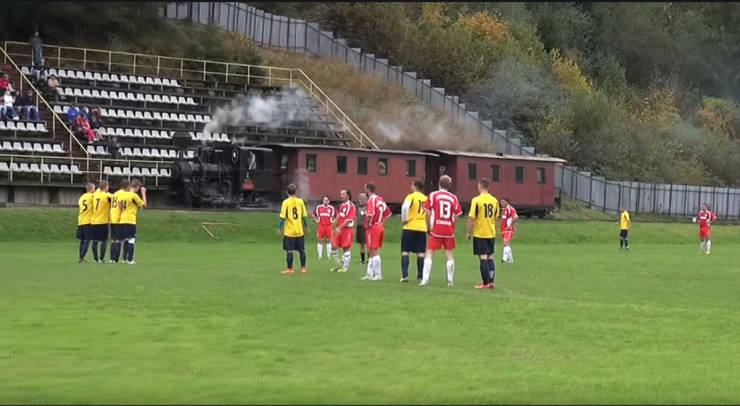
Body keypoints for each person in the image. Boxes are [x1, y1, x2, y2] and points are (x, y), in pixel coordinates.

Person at [420, 175, 462, 287]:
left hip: (436, 228)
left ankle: (425, 280)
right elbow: (457, 215)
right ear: (449, 185)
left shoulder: (433, 195)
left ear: (439, 183)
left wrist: (428, 227)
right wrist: (453, 226)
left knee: (429, 253)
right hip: (448, 229)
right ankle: (450, 281)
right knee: (449, 254)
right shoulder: (453, 198)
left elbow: (427, 213)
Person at [466, 178, 500, 289]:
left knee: (483, 257)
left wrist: (468, 233)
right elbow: (496, 218)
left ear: (479, 187)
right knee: (490, 257)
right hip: (491, 233)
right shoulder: (494, 200)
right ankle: (491, 281)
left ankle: (485, 283)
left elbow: (471, 218)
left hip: (480, 233)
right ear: (488, 187)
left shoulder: (476, 200)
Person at [362, 181, 392, 281]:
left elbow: (370, 213)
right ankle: (369, 273)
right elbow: (388, 213)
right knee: (370, 250)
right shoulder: (380, 199)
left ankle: (378, 275)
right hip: (379, 226)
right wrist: (381, 222)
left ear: (368, 189)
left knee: (374, 250)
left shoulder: (371, 200)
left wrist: (369, 223)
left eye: (365, 188)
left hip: (373, 227)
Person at [400, 180, 427, 283]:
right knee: (420, 252)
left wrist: (404, 219)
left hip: (410, 226)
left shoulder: (411, 196)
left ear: (415, 186)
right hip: (422, 227)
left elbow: (405, 207)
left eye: (412, 185)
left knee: (405, 251)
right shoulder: (426, 199)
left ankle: (405, 275)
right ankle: (420, 275)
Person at [278, 183, 309, 274]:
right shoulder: (300, 201)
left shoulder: (286, 202)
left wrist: (280, 228)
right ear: (296, 191)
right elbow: (304, 216)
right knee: (302, 250)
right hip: (299, 231)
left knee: (289, 251)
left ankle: (290, 269)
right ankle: (303, 268)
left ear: (287, 192)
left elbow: (282, 218)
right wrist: (306, 226)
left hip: (289, 232)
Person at [118, 179, 147, 265]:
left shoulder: (123, 195)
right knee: (132, 239)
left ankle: (124, 258)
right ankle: (130, 259)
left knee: (126, 239)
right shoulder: (134, 196)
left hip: (122, 218)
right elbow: (144, 205)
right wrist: (143, 193)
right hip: (130, 219)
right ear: (137, 187)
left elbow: (120, 207)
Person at [329, 188, 356, 273]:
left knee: (346, 248)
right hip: (340, 229)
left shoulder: (351, 206)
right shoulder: (342, 205)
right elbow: (340, 216)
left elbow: (348, 219)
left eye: (343, 194)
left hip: (347, 229)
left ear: (348, 195)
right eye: (341, 194)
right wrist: (334, 223)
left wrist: (339, 228)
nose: (341, 195)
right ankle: (338, 265)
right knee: (333, 246)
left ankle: (345, 267)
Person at [90, 180, 113, 263]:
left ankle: (95, 259)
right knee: (104, 241)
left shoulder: (94, 195)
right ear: (106, 187)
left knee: (95, 241)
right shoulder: (106, 195)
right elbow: (115, 197)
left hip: (93, 221)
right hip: (103, 222)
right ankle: (102, 258)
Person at [108, 180, 129, 263]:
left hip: (112, 218)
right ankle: (116, 259)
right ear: (127, 186)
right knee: (119, 240)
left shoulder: (115, 194)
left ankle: (111, 258)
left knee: (113, 239)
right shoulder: (123, 194)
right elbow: (121, 205)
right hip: (118, 219)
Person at [76, 183, 96, 263]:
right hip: (88, 221)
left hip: (81, 220)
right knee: (87, 240)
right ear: (92, 189)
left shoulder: (81, 197)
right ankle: (82, 257)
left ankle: (80, 256)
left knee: (82, 240)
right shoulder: (92, 197)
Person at [500, 198, 518, 263]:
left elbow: (515, 217)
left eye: (503, 202)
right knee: (506, 244)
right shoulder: (504, 210)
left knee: (505, 242)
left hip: (509, 230)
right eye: (501, 202)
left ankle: (504, 259)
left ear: (507, 202)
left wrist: (510, 225)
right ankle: (510, 260)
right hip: (504, 230)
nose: (501, 203)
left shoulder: (510, 209)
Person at [355, 193, 368, 264]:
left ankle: (369, 259)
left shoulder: (368, 206)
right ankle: (363, 260)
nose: (361, 199)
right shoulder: (358, 207)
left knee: (368, 244)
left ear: (366, 199)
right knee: (361, 244)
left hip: (365, 227)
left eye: (363, 198)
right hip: (359, 226)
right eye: (360, 198)